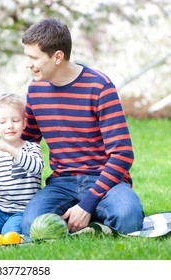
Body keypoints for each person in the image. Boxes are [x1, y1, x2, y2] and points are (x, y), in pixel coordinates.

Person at [20, 18, 144, 235]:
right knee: (30, 225)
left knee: (128, 218)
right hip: (62, 182)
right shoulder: (35, 90)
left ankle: (87, 214)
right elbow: (27, 140)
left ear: (58, 57)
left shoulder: (99, 87)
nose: (27, 64)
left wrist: (87, 203)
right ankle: (92, 220)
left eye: (33, 58)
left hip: (105, 180)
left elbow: (122, 154)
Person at [0, 93, 44, 239]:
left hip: (23, 211)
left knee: (10, 234)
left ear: (24, 123)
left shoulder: (32, 148)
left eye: (15, 120)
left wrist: (9, 149)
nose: (10, 126)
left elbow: (36, 167)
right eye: (2, 122)